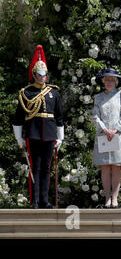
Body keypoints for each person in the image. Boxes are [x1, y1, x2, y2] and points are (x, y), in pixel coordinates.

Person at [12, 45, 64, 209]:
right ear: (34, 75)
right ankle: (34, 200)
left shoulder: (54, 93)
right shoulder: (26, 93)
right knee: (35, 167)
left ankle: (44, 200)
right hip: (33, 133)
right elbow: (18, 118)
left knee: (46, 168)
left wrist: (60, 136)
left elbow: (59, 116)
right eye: (40, 75)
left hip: (49, 134)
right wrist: (19, 137)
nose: (43, 77)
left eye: (45, 74)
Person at [92, 68, 121, 208]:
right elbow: (95, 116)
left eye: (111, 80)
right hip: (103, 135)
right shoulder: (98, 97)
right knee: (105, 167)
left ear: (116, 81)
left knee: (116, 166)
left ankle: (115, 198)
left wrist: (115, 130)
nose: (109, 82)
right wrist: (104, 129)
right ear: (103, 82)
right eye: (106, 80)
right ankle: (107, 198)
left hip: (118, 135)